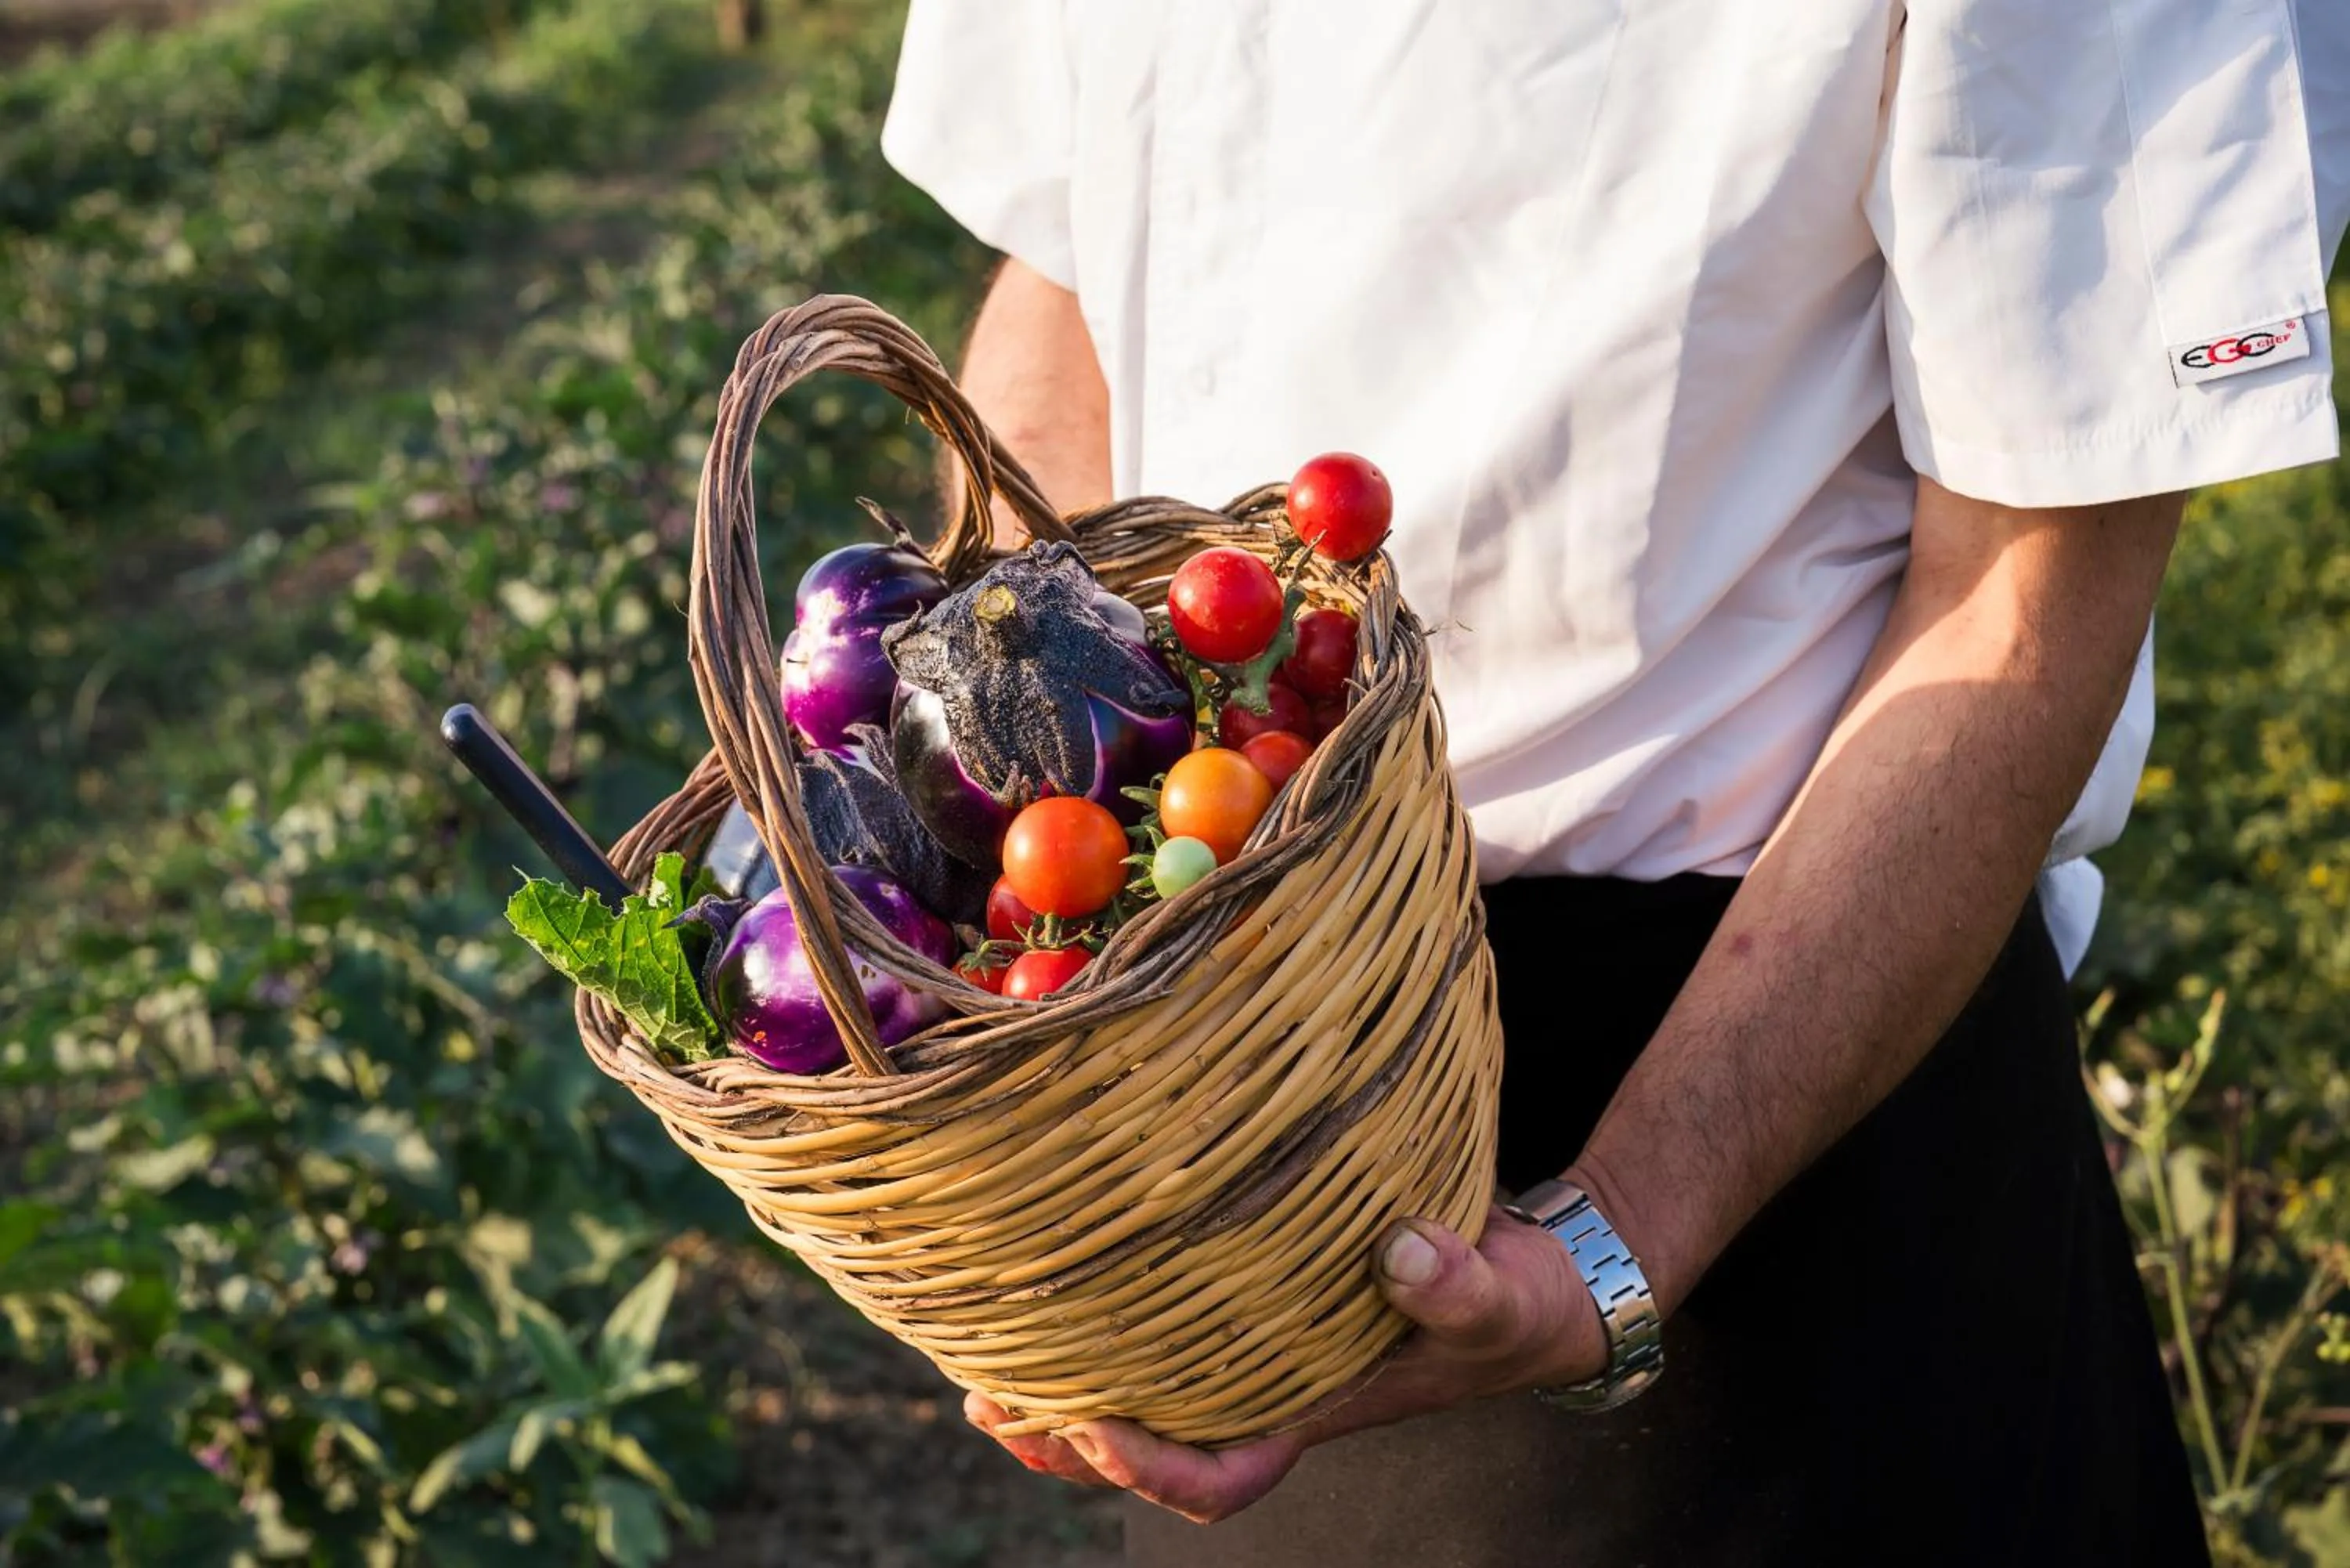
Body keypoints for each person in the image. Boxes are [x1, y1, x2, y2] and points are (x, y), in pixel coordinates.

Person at [879, 5, 2350, 1563]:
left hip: (1778, 1166)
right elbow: (1062, 279)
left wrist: (1624, 1229)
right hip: (1231, 1078)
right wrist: (1036, 949)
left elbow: (2026, 584)